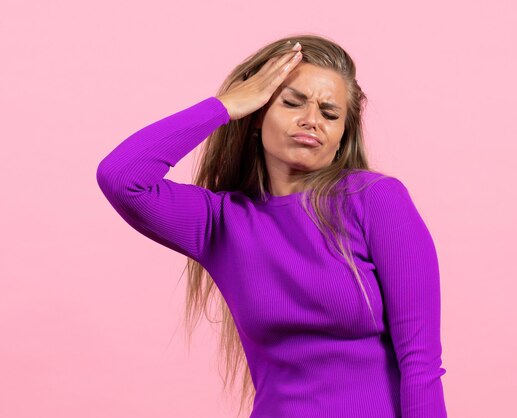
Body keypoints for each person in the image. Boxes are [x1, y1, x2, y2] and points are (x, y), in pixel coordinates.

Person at [96, 34, 447, 418]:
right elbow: (122, 177)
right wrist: (224, 107)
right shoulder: (220, 223)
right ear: (259, 111)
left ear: (342, 135)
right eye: (292, 102)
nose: (311, 121)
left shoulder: (376, 200)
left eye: (330, 114)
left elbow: (420, 362)